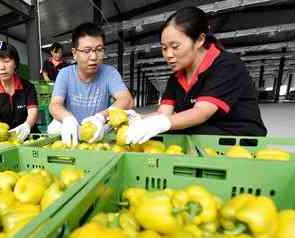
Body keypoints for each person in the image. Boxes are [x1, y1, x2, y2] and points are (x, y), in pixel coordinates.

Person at [125, 7, 267, 144]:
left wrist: (162, 123)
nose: (168, 55)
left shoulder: (226, 66)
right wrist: (137, 118)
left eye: (175, 47)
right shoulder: (175, 78)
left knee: (168, 131)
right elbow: (163, 113)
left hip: (237, 137)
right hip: (203, 131)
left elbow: (201, 112)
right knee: (159, 134)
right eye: (164, 48)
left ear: (199, 40)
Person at [48, 22, 133, 146]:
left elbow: (127, 100)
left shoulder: (109, 73)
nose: (94, 57)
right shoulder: (65, 74)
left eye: (99, 50)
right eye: (87, 51)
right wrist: (68, 118)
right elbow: (55, 105)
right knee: (53, 129)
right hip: (72, 130)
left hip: (98, 130)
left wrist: (101, 117)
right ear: (74, 53)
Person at [0, 43, 39, 142]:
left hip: (28, 135)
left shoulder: (28, 87)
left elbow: (32, 111)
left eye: (7, 61)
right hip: (3, 140)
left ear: (15, 63)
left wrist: (27, 125)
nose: (2, 67)